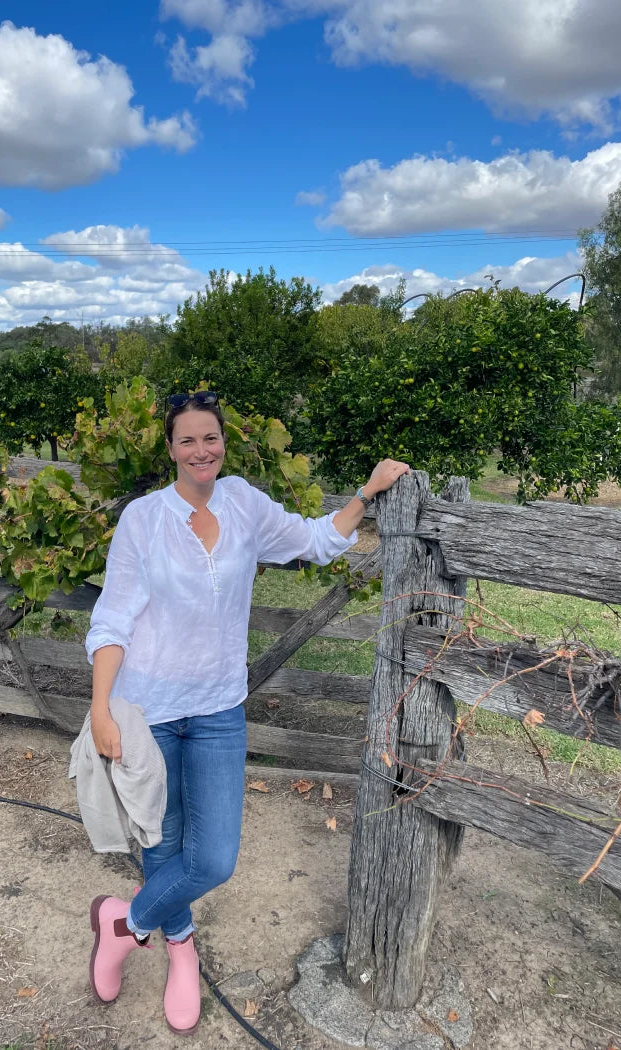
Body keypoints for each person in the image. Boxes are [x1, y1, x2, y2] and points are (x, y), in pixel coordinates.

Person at [84, 390, 410, 1035]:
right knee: (162, 843)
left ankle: (124, 925)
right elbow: (112, 618)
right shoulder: (144, 519)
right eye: (187, 440)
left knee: (213, 861)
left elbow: (316, 541)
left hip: (218, 711)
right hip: (147, 711)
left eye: (210, 438)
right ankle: (181, 950)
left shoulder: (244, 504)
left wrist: (365, 495)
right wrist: (101, 709)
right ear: (170, 448)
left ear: (222, 443)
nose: (200, 450)